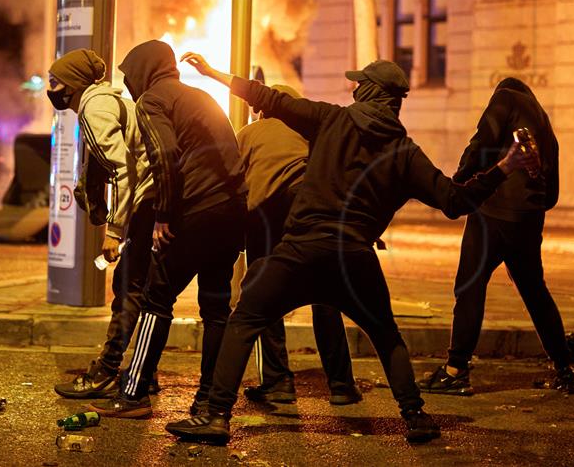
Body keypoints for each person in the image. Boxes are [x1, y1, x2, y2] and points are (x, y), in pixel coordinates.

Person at [164, 54, 536, 444]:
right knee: (386, 334)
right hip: (355, 261)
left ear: (371, 90)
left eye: (359, 84)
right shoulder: (405, 153)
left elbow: (269, 99)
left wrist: (211, 74)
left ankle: (217, 417)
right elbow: (455, 200)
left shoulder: (333, 119)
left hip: (300, 251)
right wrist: (507, 166)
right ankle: (415, 417)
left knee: (244, 321)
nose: (353, 88)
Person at [86, 40, 246, 419]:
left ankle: (133, 394)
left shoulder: (153, 100)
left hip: (197, 211)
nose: (128, 86)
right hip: (233, 212)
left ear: (145, 70)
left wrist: (163, 214)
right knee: (216, 307)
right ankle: (208, 400)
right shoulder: (197, 96)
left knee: (156, 300)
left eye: (130, 76)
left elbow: (164, 155)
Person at [418, 77, 574, 395]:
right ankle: (565, 370)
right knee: (536, 293)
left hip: (492, 215)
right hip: (529, 221)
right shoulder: (546, 128)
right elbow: (553, 195)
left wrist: (459, 183)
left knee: (470, 285)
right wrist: (530, 207)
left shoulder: (505, 98)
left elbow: (482, 143)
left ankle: (455, 370)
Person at [239, 84, 362, 406]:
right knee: (326, 297)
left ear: (264, 109)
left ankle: (278, 381)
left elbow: (234, 179)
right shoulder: (311, 132)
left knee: (262, 295)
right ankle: (341, 385)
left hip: (267, 212)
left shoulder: (251, 132)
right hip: (311, 207)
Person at [46, 49, 158, 399]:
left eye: (55, 81)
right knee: (149, 291)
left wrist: (114, 230)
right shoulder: (110, 101)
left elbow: (124, 169)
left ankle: (107, 370)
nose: (51, 88)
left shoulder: (94, 109)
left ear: (74, 83)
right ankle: (142, 373)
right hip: (155, 200)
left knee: (128, 287)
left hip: (147, 203)